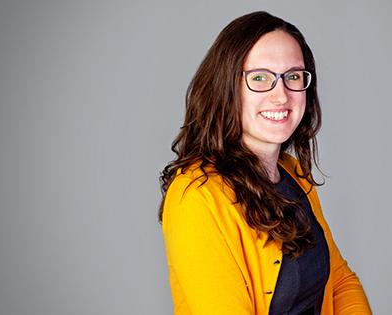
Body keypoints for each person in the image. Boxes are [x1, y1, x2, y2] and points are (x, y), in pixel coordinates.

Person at [159, 11, 372, 315]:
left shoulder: (293, 176)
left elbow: (340, 283)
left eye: (293, 77)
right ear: (226, 87)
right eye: (260, 78)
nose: (281, 96)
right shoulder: (196, 196)